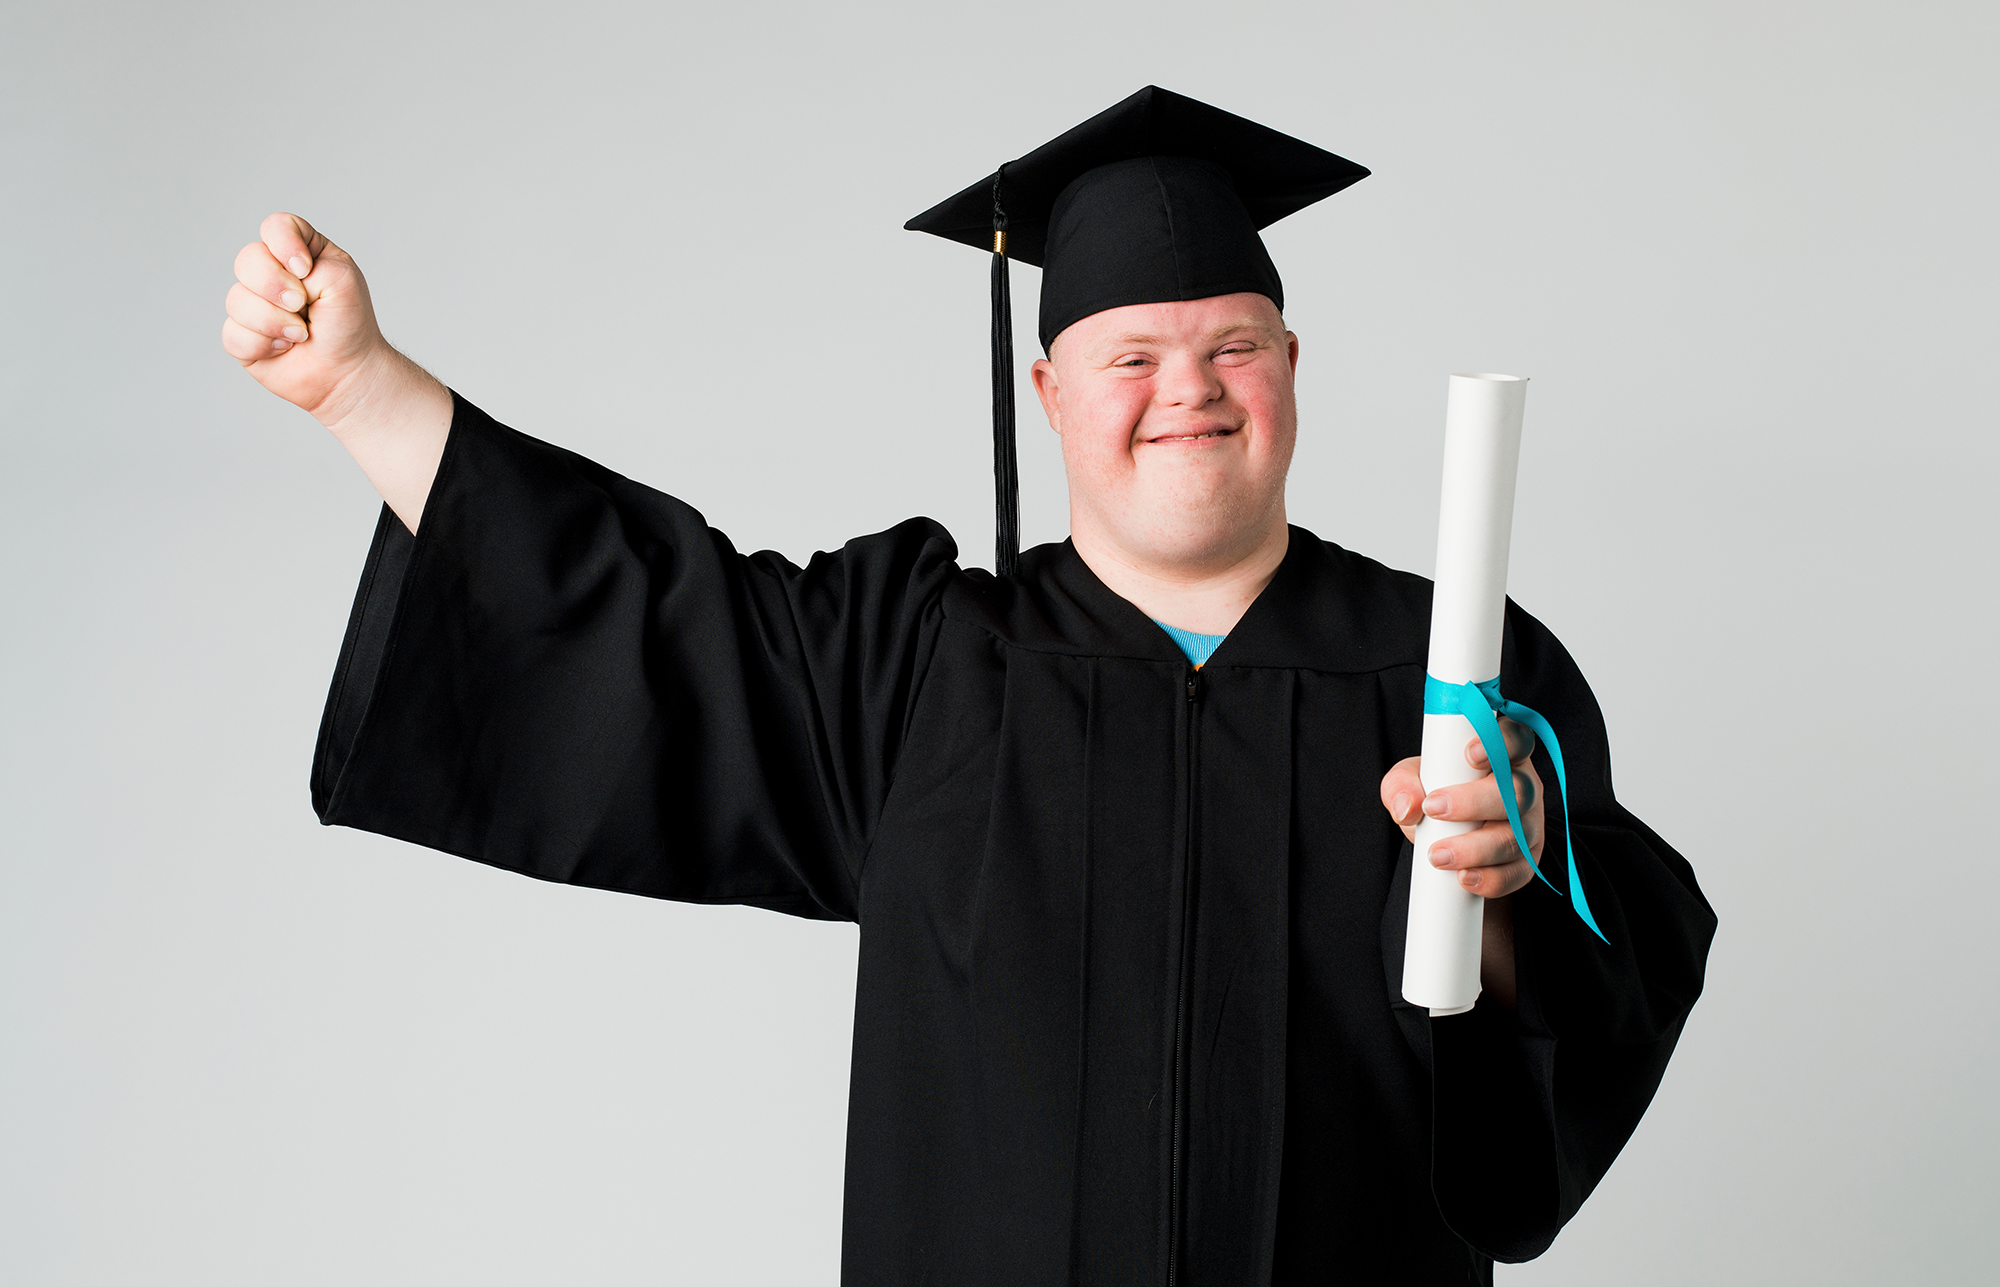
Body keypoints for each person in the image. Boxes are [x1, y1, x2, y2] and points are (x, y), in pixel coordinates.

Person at [220, 87, 1714, 1286]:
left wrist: (1516, 874)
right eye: (1129, 354)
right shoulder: (923, 667)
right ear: (1052, 391)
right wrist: (363, 389)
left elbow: (1561, 1045)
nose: (1187, 389)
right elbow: (639, 614)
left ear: (1292, 368)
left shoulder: (1456, 664)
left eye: (1232, 347)